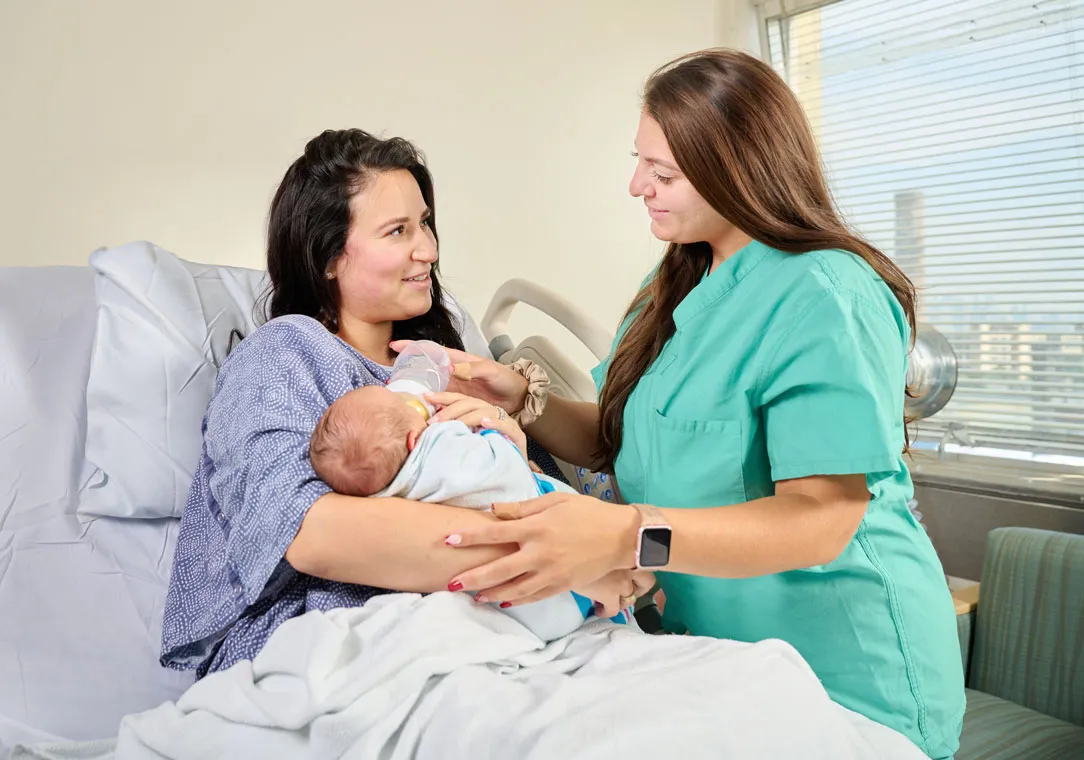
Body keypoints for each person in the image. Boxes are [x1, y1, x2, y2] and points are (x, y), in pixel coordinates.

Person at [417, 50, 965, 759]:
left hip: (847, 676)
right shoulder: (674, 282)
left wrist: (620, 535)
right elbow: (616, 438)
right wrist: (521, 396)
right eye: (640, 161)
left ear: (738, 166)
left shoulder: (825, 293)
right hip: (720, 668)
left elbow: (822, 519)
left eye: (662, 172)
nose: (635, 185)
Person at [159, 129, 642, 677]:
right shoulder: (284, 353)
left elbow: (517, 494)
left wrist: (514, 441)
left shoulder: (451, 369)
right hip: (352, 642)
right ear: (327, 257)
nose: (429, 250)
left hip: (520, 625)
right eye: (398, 231)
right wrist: (562, 563)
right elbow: (309, 533)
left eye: (426, 223)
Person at [308, 384, 640, 640]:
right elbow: (501, 461)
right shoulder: (441, 441)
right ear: (414, 439)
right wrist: (494, 431)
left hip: (529, 617)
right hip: (556, 562)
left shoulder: (383, 495)